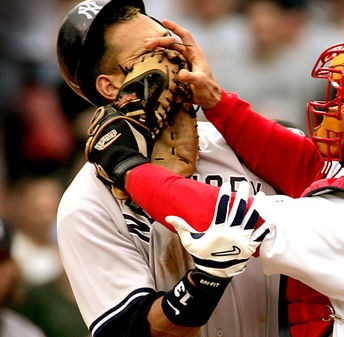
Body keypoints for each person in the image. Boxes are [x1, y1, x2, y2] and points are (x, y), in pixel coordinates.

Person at [86, 36, 344, 337]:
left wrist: (125, 164)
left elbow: (228, 220)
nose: (333, 110)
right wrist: (216, 100)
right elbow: (305, 166)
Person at [55, 1, 280, 336]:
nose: (174, 62)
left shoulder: (245, 146)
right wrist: (205, 282)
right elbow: (128, 329)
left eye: (173, 46)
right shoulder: (87, 204)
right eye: (153, 57)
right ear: (111, 87)